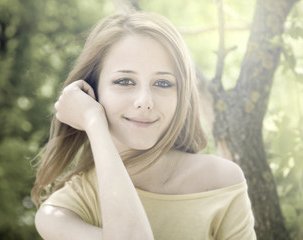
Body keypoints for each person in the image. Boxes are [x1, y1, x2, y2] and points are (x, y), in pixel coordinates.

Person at [31, 10, 256, 240]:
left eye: (162, 83)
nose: (145, 102)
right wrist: (93, 122)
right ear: (93, 90)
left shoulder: (221, 182)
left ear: (182, 95)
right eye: (125, 81)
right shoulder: (61, 213)